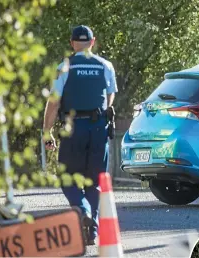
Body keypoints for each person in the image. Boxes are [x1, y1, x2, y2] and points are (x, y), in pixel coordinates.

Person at [42, 25, 117, 245]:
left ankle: (82, 210)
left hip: (73, 127)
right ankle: (91, 232)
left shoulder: (64, 67)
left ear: (72, 43)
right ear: (93, 42)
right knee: (94, 182)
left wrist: (47, 132)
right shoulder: (105, 65)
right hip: (98, 129)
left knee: (68, 178)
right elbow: (110, 97)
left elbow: (54, 102)